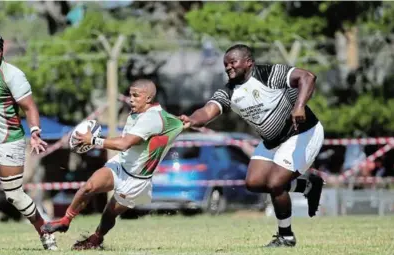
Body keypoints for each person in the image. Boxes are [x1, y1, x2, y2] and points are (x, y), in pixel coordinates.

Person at [179, 44, 325, 247]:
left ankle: (286, 236)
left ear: (248, 62)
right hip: (273, 141)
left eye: (233, 63)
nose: (228, 67)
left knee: (275, 183)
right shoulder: (229, 91)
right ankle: (308, 185)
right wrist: (192, 120)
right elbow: (207, 111)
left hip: (303, 133)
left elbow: (308, 76)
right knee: (254, 183)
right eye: (225, 64)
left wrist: (299, 106)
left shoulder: (269, 73)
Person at [41, 79, 184, 250]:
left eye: (136, 95)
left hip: (137, 180)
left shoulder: (152, 119)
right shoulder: (138, 113)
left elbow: (124, 144)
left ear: (148, 98)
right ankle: (65, 221)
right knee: (89, 186)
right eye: (130, 94)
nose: (131, 99)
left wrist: (92, 140)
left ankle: (96, 239)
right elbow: (181, 122)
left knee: (110, 213)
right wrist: (186, 121)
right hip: (121, 164)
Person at [0, 32, 57, 250]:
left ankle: (44, 231)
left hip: (8, 139)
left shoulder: (12, 75)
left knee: (15, 196)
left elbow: (30, 107)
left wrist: (35, 132)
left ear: (2, 52)